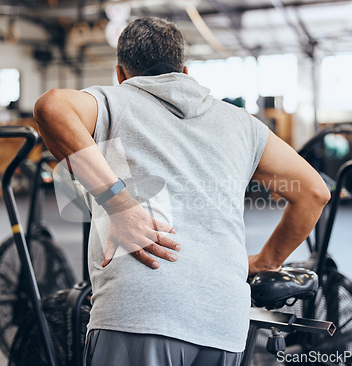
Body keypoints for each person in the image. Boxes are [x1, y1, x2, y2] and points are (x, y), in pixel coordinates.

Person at [34, 16, 330, 366]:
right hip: (224, 321)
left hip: (139, 314)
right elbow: (314, 192)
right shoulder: (240, 123)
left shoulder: (114, 100)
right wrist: (266, 262)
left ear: (121, 73)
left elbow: (51, 107)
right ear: (186, 71)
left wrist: (120, 204)